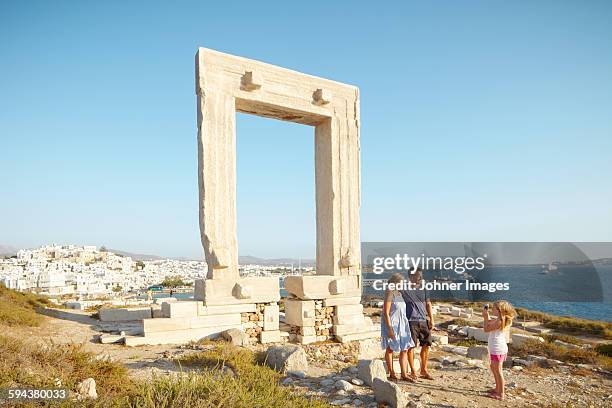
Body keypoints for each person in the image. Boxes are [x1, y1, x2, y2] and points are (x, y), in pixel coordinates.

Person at [400, 267, 435, 381]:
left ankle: (424, 370)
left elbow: (428, 304)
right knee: (411, 347)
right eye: (417, 275)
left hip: (424, 320)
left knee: (426, 345)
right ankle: (413, 371)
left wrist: (431, 319)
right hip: (411, 321)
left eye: (421, 275)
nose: (420, 277)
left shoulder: (424, 288)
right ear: (410, 277)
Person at [380, 273, 415, 381]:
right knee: (390, 348)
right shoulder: (389, 293)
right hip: (392, 324)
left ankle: (404, 374)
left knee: (404, 348)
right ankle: (392, 372)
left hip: (402, 324)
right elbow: (385, 312)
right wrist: (390, 329)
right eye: (401, 282)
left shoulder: (399, 294)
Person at [483, 300, 516, 401]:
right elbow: (489, 323)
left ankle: (501, 394)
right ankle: (497, 389)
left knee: (498, 371)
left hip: (498, 349)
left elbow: (486, 329)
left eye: (494, 308)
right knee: (493, 368)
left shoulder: (500, 321)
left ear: (500, 310)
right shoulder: (499, 319)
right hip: (496, 348)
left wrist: (484, 318)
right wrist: (486, 316)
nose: (492, 309)